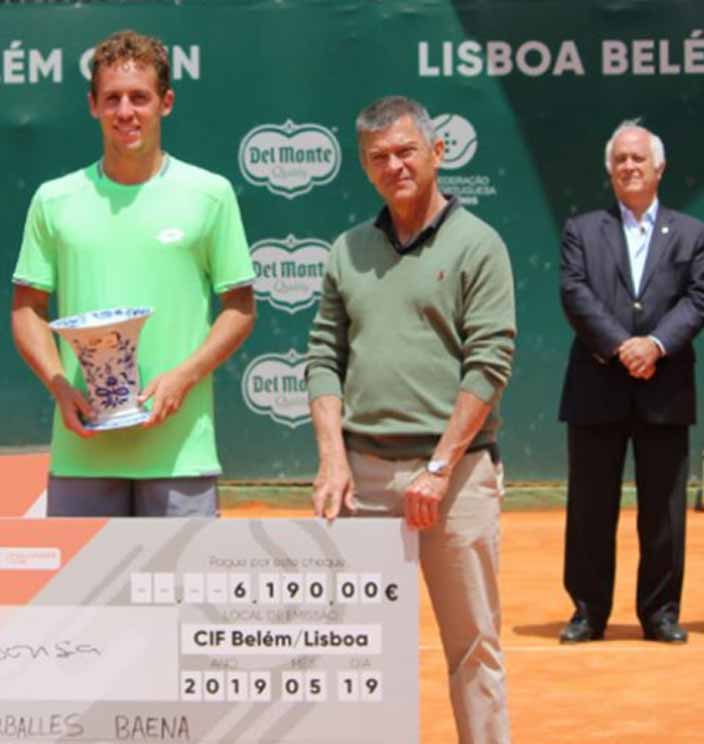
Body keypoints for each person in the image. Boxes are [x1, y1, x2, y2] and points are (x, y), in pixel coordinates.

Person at [305, 96, 515, 743]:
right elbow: (322, 358)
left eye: (405, 151)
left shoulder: (479, 244)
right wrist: (333, 459)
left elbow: (490, 363)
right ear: (366, 168)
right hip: (362, 481)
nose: (394, 165)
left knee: (473, 648)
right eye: (379, 158)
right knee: (362, 655)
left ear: (436, 153)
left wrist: (438, 466)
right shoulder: (347, 251)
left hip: (455, 481)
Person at [11, 29, 255, 517]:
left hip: (180, 455)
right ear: (93, 106)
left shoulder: (210, 194)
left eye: (139, 98)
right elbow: (26, 310)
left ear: (165, 103)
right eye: (113, 99)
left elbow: (240, 308)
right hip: (83, 454)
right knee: (83, 597)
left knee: (183, 597)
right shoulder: (53, 199)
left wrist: (184, 377)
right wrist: (60, 385)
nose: (126, 111)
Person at [557, 121, 704, 645]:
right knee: (590, 508)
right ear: (609, 170)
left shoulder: (691, 232)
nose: (629, 166)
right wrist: (623, 346)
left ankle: (660, 612)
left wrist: (656, 345)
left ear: (659, 167)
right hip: (597, 385)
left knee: (664, 512)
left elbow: (698, 299)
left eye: (638, 158)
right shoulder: (582, 229)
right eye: (619, 159)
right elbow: (575, 293)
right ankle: (588, 612)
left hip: (665, 388)